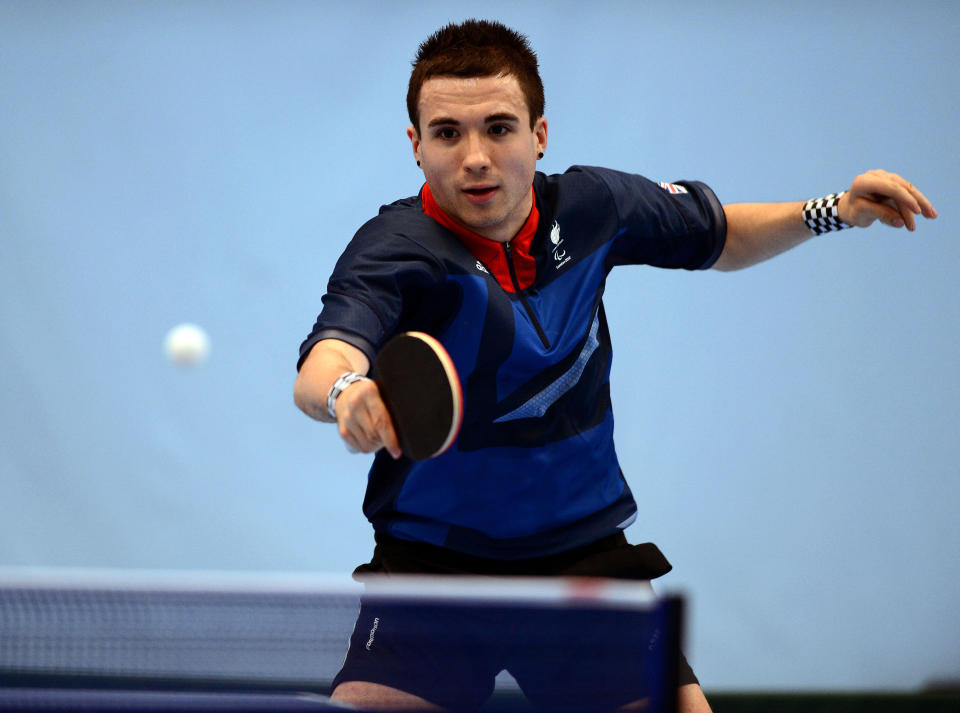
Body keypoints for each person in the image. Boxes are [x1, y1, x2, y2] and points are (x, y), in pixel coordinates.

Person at [294, 19, 937, 713]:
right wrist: (344, 390)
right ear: (416, 146)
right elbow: (326, 355)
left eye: (500, 128)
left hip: (582, 557)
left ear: (539, 135)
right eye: (448, 133)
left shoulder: (594, 207)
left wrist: (833, 211)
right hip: (433, 569)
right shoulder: (395, 248)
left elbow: (717, 234)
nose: (476, 156)